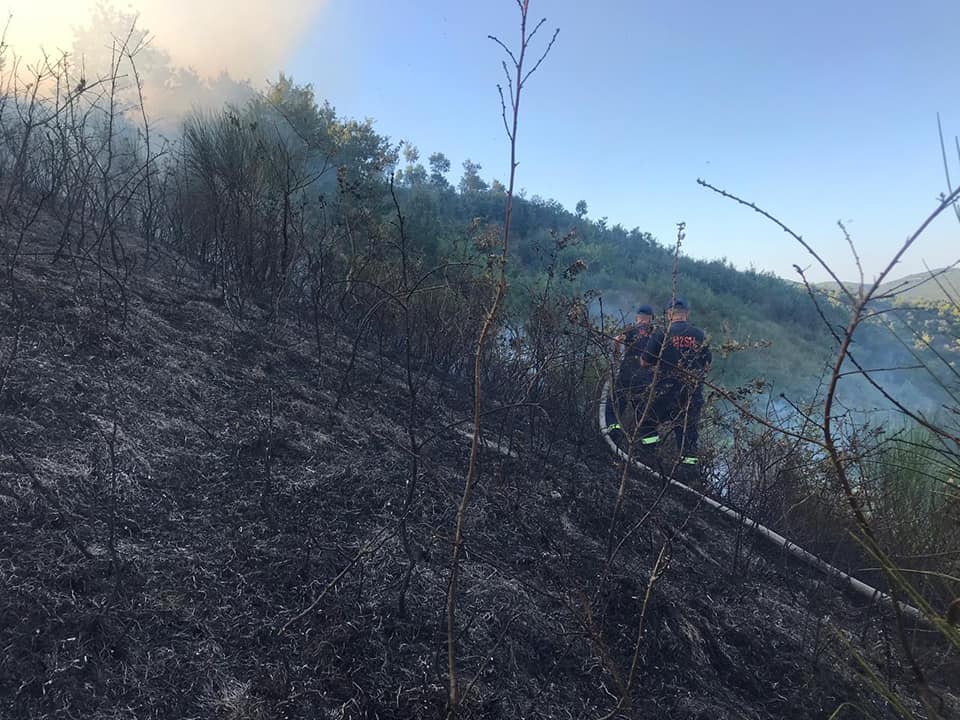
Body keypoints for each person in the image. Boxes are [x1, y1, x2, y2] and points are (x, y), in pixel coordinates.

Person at [638, 297, 712, 482]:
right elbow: (707, 366)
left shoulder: (662, 333)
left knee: (647, 421)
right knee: (688, 434)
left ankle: (648, 461)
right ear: (687, 314)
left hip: (665, 391)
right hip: (691, 394)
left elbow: (645, 362)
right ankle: (688, 477)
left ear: (669, 314)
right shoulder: (700, 335)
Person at [604, 304, 656, 444]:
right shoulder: (655, 334)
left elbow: (616, 350)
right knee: (643, 415)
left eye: (644, 318)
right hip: (641, 379)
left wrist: (617, 346)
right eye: (641, 317)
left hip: (631, 376)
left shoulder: (633, 330)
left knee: (615, 408)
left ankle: (615, 435)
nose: (642, 320)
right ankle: (647, 447)